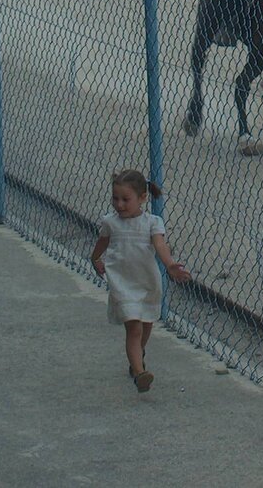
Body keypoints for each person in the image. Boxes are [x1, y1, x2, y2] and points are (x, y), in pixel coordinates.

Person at [90, 168, 191, 393]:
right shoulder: (110, 222)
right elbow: (102, 243)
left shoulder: (153, 223)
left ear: (142, 198)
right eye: (115, 199)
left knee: (145, 324)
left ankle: (138, 355)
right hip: (122, 283)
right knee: (133, 328)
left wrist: (170, 264)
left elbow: (160, 245)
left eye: (126, 199)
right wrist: (95, 257)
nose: (119, 204)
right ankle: (139, 373)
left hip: (146, 282)